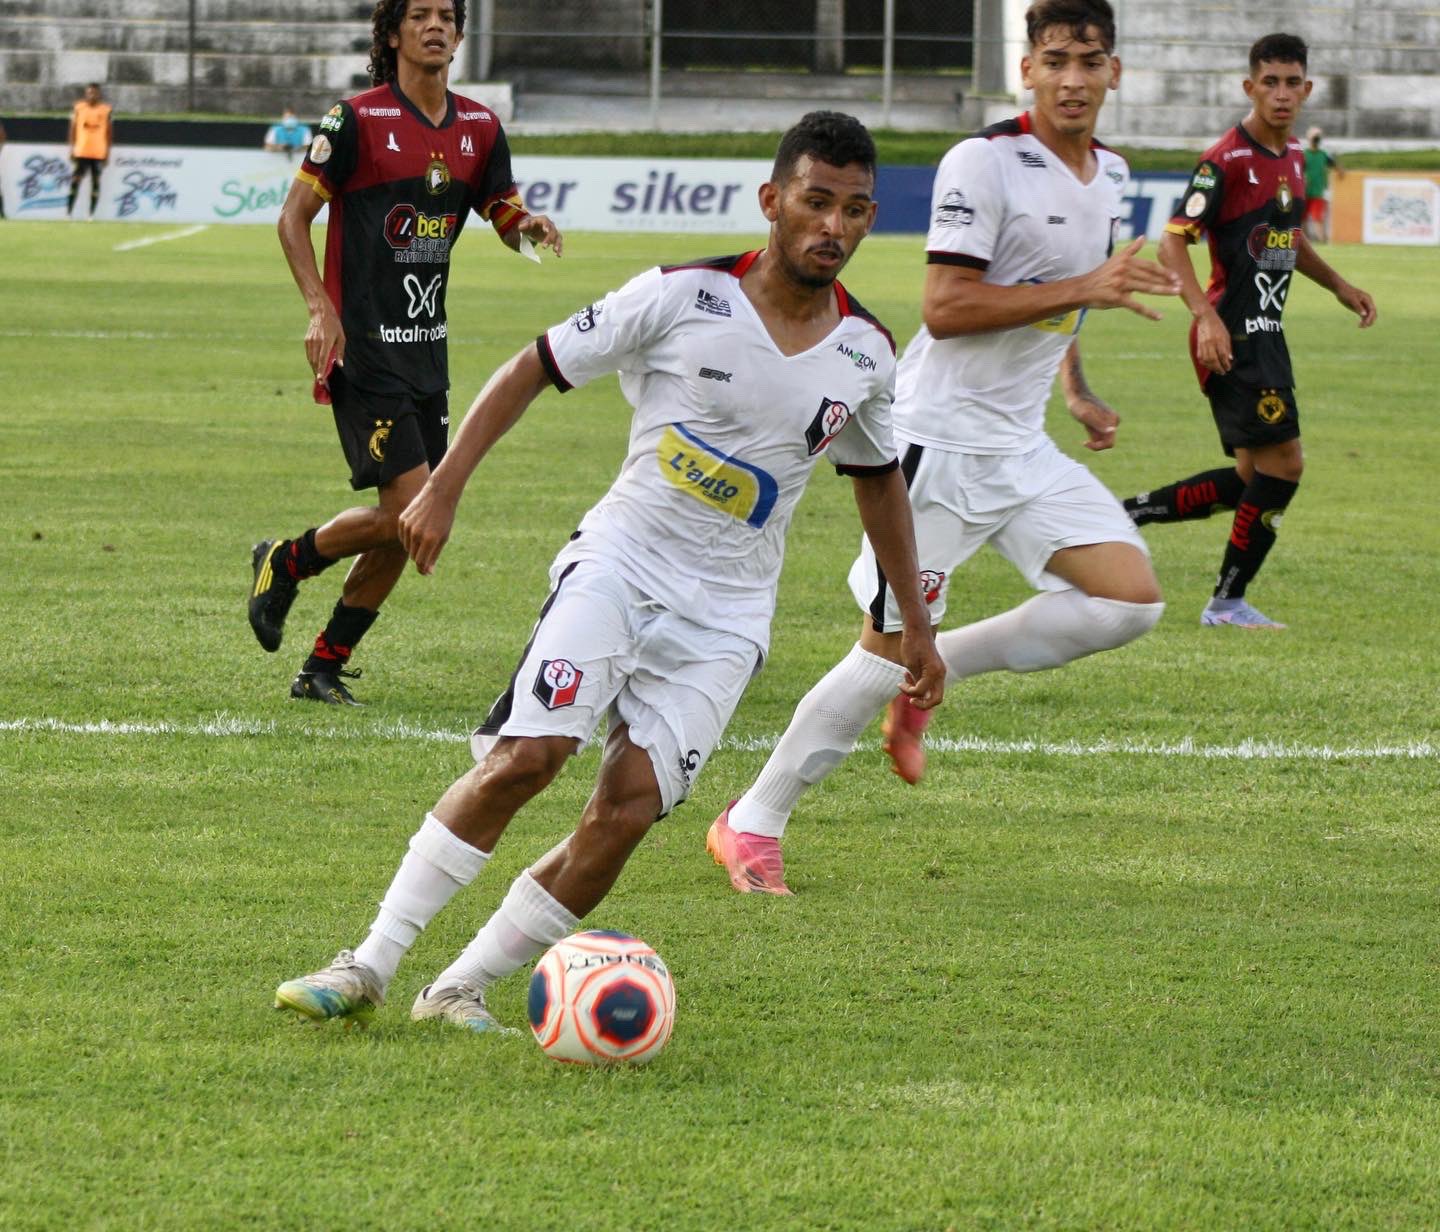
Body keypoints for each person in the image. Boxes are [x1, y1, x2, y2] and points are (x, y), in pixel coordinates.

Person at [272, 111, 945, 1031]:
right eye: (816, 202)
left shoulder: (867, 352)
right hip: (621, 563)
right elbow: (531, 367)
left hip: (730, 616)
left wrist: (914, 624)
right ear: (773, 202)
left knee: (625, 812)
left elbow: (879, 487)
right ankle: (369, 963)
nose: (834, 227)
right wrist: (445, 490)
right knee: (529, 759)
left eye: (856, 211)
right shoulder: (679, 295)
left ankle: (457, 986)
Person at [707, 0, 1179, 897]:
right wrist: (1088, 285)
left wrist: (1073, 386)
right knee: (882, 647)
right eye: (1054, 60)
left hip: (1020, 443)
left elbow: (1058, 299)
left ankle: (937, 664)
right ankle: (750, 821)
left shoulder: (1109, 173)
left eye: (1089, 60)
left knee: (1129, 601)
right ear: (1026, 70)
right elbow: (946, 307)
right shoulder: (984, 161)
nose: (1073, 78)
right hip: (937, 444)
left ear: (1114, 71)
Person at [247, 0, 562, 705]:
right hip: (365, 349)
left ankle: (321, 667)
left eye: (447, 16)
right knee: (416, 512)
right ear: (392, 35)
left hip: (427, 352)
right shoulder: (354, 121)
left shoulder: (480, 126)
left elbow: (500, 209)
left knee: (404, 526)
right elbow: (293, 218)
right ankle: (289, 561)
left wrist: (528, 225)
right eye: (419, 15)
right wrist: (319, 307)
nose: (436, 26)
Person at [1123, 33, 1376, 630]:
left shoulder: (1291, 157)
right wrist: (1205, 317)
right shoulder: (1226, 160)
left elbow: (1288, 239)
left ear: (1307, 90)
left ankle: (1120, 514)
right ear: (1250, 87)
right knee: (1285, 465)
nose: (1282, 94)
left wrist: (1339, 285)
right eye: (1271, 82)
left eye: (1293, 83)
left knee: (1249, 479)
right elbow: (1172, 240)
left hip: (1265, 330)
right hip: (1232, 331)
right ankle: (1227, 603)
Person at [66, 83, 112, 219]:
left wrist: (108, 152)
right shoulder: (79, 108)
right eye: (90, 92)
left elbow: (109, 132)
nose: (92, 95)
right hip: (81, 151)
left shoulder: (106, 110)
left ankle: (90, 215)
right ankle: (69, 213)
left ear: (99, 94)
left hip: (98, 153)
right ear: (86, 94)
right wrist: (71, 148)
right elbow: (73, 129)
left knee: (96, 182)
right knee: (75, 181)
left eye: (95, 92)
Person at [1301, 126, 1342, 243]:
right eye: (1314, 137)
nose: (1316, 139)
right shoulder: (1303, 154)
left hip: (1318, 192)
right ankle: (1306, 243)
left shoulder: (1324, 154)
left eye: (1317, 137)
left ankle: (1322, 241)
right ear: (1308, 138)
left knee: (1317, 218)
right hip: (1304, 192)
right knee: (1302, 219)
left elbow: (1337, 167)